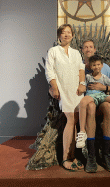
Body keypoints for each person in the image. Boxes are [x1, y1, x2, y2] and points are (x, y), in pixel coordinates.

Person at [78, 39, 110, 173]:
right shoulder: (80, 67)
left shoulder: (104, 67)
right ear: (82, 50)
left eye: (91, 47)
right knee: (89, 106)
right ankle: (91, 156)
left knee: (108, 107)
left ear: (94, 49)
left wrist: (104, 87)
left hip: (102, 99)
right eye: (86, 47)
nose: (88, 49)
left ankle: (106, 153)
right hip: (89, 101)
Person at [45, 24, 86, 171]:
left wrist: (82, 84)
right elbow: (49, 70)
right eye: (63, 33)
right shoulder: (53, 51)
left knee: (75, 121)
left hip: (76, 90)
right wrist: (54, 87)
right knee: (71, 119)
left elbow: (81, 68)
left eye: (69, 32)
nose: (66, 35)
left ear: (72, 36)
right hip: (63, 89)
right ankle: (65, 158)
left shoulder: (76, 53)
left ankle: (73, 155)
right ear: (59, 36)